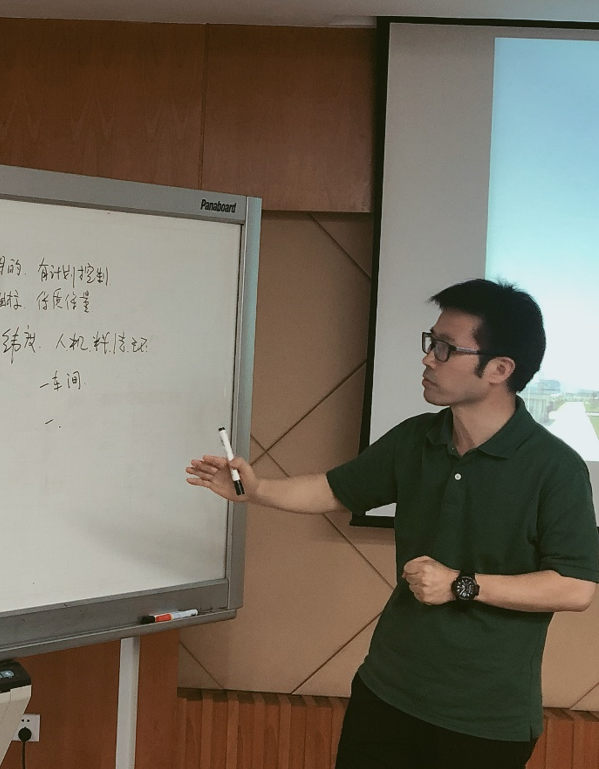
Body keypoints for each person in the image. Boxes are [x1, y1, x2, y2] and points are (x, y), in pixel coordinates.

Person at [186, 278, 599, 769]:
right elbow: (335, 489)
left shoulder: (556, 468)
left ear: (500, 369)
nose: (428, 358)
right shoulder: (416, 439)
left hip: (485, 720)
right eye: (431, 342)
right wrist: (255, 490)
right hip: (386, 693)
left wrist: (460, 584)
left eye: (445, 348)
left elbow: (575, 587)